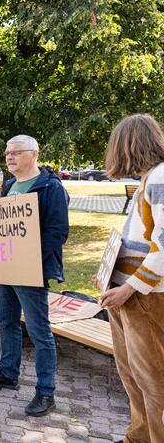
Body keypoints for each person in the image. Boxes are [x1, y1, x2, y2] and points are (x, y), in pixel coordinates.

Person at [0, 135, 69, 417]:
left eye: (16, 152)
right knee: (6, 321)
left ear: (34, 154)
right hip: (5, 268)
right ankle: (8, 372)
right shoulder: (9, 185)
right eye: (7, 153)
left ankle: (45, 392)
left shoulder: (50, 187)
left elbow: (58, 231)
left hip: (30, 271)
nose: (9, 157)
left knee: (40, 332)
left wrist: (27, 259)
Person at [98, 113, 164, 443]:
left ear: (128, 144)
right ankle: (138, 436)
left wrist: (129, 288)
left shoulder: (161, 177)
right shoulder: (148, 179)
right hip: (126, 295)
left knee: (152, 380)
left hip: (145, 297)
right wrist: (108, 275)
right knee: (132, 375)